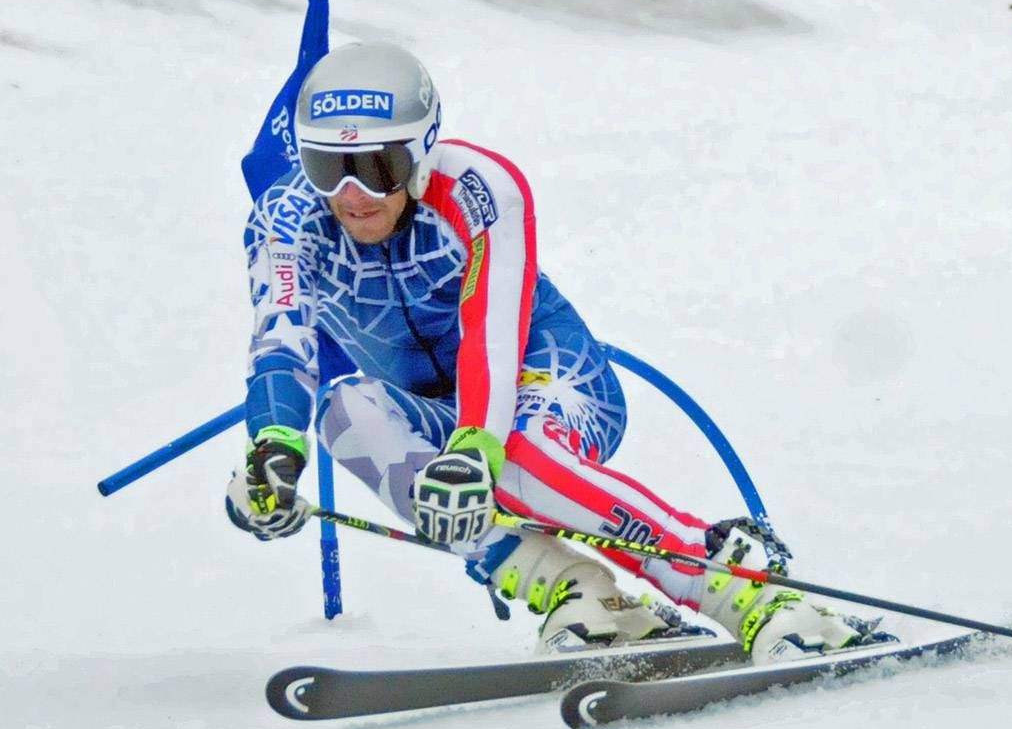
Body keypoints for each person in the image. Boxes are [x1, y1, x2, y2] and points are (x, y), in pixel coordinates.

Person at [226, 41, 885, 662]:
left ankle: (747, 590)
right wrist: (271, 451)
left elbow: (492, 329)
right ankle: (577, 590)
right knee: (344, 412)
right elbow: (281, 339)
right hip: (441, 413)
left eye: (377, 169)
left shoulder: (478, 186)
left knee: (516, 452)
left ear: (422, 152)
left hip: (550, 381)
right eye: (326, 167)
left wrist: (474, 447)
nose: (351, 195)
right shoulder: (285, 221)